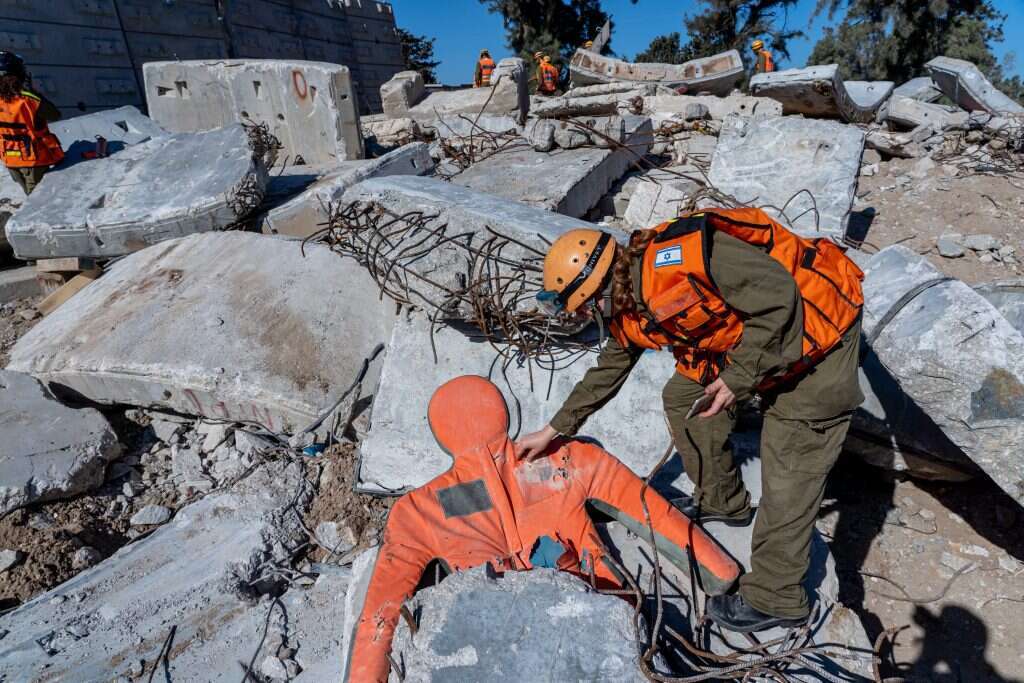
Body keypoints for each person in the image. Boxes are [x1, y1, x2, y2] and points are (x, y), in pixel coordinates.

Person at [516, 208, 865, 633]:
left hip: (816, 334)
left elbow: (781, 298)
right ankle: (723, 501)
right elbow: (610, 367)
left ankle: (778, 596)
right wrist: (554, 429)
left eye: (584, 308)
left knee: (790, 464)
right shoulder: (627, 298)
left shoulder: (687, 258)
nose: (587, 317)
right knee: (684, 398)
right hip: (759, 338)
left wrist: (739, 378)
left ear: (599, 292)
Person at [345, 375, 740, 682]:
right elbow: (656, 514)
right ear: (506, 416)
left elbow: (381, 613)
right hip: (599, 607)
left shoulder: (419, 510)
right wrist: (719, 571)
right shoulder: (573, 458)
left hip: (494, 640)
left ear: (441, 437)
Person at [0, 51, 62, 195]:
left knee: (29, 197)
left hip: (9, 158)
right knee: (38, 200)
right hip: (33, 159)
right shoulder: (28, 99)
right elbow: (54, 114)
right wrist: (33, 91)